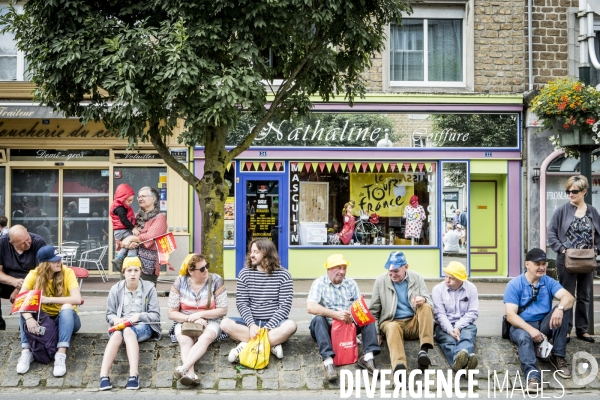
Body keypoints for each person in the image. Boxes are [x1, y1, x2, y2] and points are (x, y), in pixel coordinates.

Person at [504, 248, 575, 393]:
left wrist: (559, 309)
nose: (542, 267)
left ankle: (558, 356)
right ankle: (533, 378)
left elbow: (569, 298)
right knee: (524, 338)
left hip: (543, 324)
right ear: (527, 264)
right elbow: (511, 315)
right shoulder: (514, 284)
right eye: (538, 264)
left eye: (544, 263)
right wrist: (531, 330)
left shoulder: (548, 281)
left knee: (565, 306)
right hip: (521, 326)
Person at [221, 238, 297, 362]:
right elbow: (242, 303)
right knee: (225, 324)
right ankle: (271, 344)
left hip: (274, 324)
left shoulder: (284, 275)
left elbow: (284, 307)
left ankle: (245, 345)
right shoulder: (245, 273)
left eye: (256, 252)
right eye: (251, 252)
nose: (251, 255)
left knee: (291, 326)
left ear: (266, 253)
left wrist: (268, 328)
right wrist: (251, 325)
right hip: (250, 323)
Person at [307, 254, 380, 381]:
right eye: (338, 268)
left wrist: (354, 316)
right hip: (326, 327)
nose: (342, 272)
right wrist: (335, 314)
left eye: (344, 268)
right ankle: (329, 362)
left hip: (347, 325)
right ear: (328, 269)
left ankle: (368, 358)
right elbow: (311, 307)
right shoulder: (319, 283)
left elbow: (360, 307)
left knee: (367, 316)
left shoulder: (351, 283)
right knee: (318, 319)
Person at [547, 175, 598, 343]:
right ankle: (566, 330)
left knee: (585, 295)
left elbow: (599, 235)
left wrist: (596, 250)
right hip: (567, 260)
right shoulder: (561, 210)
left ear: (584, 191)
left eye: (574, 191)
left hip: (587, 260)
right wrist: (562, 249)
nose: (570, 194)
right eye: (568, 191)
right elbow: (552, 233)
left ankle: (582, 329)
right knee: (567, 295)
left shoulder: (592, 211)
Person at [16, 245, 82, 377]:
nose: (59, 262)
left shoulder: (67, 272)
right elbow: (20, 301)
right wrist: (29, 318)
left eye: (59, 259)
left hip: (67, 319)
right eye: (54, 260)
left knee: (67, 307)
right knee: (26, 310)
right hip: (45, 320)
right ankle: (26, 351)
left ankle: (61, 355)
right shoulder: (33, 275)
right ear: (45, 264)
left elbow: (77, 299)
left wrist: (45, 300)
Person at [99, 256, 161, 391]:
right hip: (121, 326)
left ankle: (134, 375)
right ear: (123, 272)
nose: (132, 274)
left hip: (142, 326)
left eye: (136, 270)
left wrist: (139, 316)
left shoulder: (149, 288)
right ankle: (103, 376)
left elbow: (155, 316)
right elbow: (109, 314)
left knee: (128, 331)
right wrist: (115, 319)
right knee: (117, 335)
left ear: (140, 271)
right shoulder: (116, 289)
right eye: (129, 271)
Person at [370, 251, 434, 375]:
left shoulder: (417, 278)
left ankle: (424, 350)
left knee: (426, 307)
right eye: (390, 271)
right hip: (391, 322)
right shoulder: (380, 281)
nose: (393, 275)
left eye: (396, 271)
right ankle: (399, 367)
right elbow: (373, 311)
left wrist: (423, 300)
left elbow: (430, 304)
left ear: (406, 267)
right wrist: (376, 332)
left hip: (412, 323)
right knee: (393, 326)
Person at [168, 253, 228, 386]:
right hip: (184, 321)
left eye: (206, 266)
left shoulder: (216, 280)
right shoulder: (180, 282)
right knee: (184, 340)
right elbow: (171, 313)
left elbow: (223, 310)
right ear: (190, 271)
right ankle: (190, 374)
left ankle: (184, 368)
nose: (206, 270)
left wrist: (201, 315)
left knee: (206, 337)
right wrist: (192, 318)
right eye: (201, 269)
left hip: (212, 320)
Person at [432, 261, 478, 371]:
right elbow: (439, 314)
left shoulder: (471, 289)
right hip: (443, 325)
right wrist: (450, 329)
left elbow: (472, 312)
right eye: (446, 276)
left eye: (451, 278)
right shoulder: (437, 290)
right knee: (448, 342)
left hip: (465, 324)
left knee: (467, 337)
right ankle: (464, 365)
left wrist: (458, 326)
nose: (447, 280)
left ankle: (458, 363)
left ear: (461, 279)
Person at [0, 225, 46, 330]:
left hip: (31, 283)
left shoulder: (38, 242)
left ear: (27, 231)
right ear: (11, 243)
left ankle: (26, 327)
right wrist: (13, 282)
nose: (27, 244)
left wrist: (19, 289)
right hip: (8, 281)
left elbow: (41, 272)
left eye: (28, 239)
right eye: (22, 243)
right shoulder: (2, 242)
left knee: (39, 287)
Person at [119, 187, 167, 286]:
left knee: (145, 298)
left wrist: (131, 238)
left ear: (153, 199)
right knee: (125, 297)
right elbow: (121, 234)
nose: (140, 198)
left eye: (143, 196)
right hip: (128, 265)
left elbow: (151, 237)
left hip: (146, 268)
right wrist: (127, 243)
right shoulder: (134, 216)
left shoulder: (160, 218)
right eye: (139, 197)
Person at [110, 184, 140, 271]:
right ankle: (131, 260)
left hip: (120, 230)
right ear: (122, 198)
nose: (130, 202)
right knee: (133, 241)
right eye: (129, 200)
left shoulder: (120, 206)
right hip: (122, 230)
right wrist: (133, 228)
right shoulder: (120, 208)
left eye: (132, 200)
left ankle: (119, 258)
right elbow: (124, 220)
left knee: (128, 244)